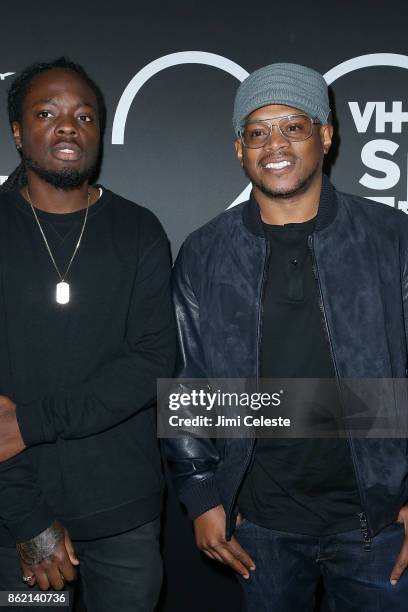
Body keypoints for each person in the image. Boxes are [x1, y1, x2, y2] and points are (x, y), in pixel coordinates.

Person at [164, 62, 408, 611]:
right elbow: (186, 381)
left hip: (378, 522)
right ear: (239, 149)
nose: (274, 144)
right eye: (257, 131)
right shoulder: (204, 253)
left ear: (325, 135)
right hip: (261, 526)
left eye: (292, 126)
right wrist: (202, 495)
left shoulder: (391, 239)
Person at [0, 57, 175, 611]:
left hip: (124, 516)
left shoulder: (140, 229)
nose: (68, 126)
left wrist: (30, 422)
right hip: (13, 517)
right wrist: (26, 517)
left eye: (84, 116)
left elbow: (151, 364)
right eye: (47, 112)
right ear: (17, 132)